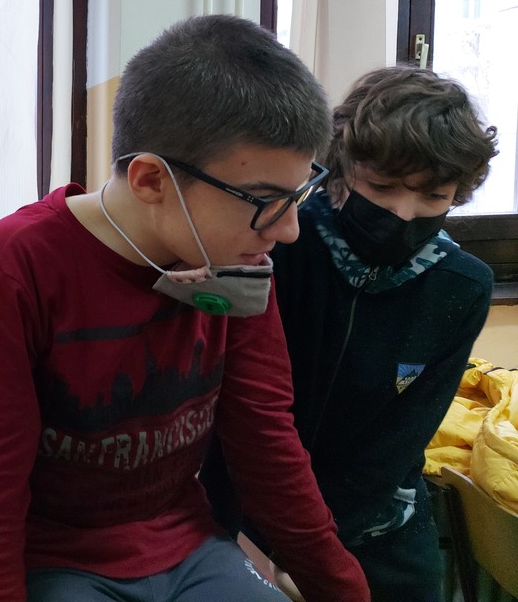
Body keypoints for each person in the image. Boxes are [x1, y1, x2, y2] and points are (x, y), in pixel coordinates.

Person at [0, 14, 371, 602]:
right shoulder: (20, 263)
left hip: (186, 545)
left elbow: (267, 444)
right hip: (56, 557)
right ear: (150, 180)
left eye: (297, 196)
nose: (288, 230)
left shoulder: (236, 255)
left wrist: (344, 590)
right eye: (265, 201)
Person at [201, 66, 498, 602]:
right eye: (382, 187)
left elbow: (399, 442)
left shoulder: (461, 286)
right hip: (245, 517)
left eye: (433, 197)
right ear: (342, 166)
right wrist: (264, 540)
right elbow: (235, 414)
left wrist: (319, 556)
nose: (402, 213)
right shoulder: (278, 247)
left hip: (378, 526)